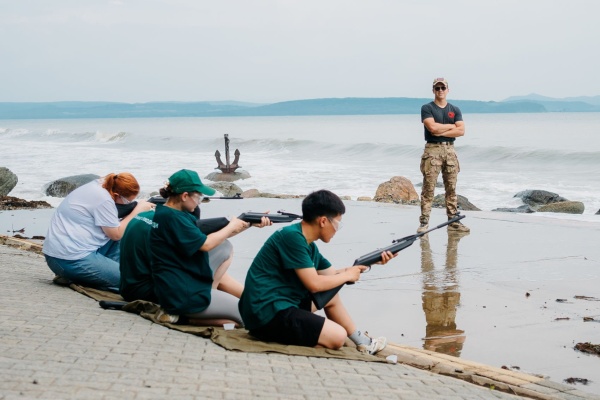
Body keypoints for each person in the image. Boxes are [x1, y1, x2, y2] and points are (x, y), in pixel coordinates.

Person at [238, 189, 395, 354]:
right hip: (267, 313)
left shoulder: (308, 244)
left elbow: (333, 276)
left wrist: (371, 262)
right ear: (323, 221)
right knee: (338, 337)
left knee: (331, 296)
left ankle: (363, 342)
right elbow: (314, 284)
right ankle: (292, 338)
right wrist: (347, 275)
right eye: (337, 224)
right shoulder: (292, 238)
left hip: (282, 305)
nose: (337, 230)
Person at [148, 169, 270, 326]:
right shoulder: (173, 218)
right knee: (247, 316)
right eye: (198, 197)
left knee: (224, 247)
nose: (199, 201)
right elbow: (206, 245)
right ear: (184, 196)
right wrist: (231, 225)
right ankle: (184, 318)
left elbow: (216, 238)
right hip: (182, 294)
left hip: (177, 284)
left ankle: (200, 303)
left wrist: (248, 224)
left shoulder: (169, 213)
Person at [43, 173, 155, 292]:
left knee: (128, 235)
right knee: (133, 281)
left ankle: (95, 275)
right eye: (128, 201)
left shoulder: (101, 185)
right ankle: (80, 278)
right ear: (116, 195)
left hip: (66, 252)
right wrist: (138, 211)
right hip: (68, 259)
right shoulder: (104, 200)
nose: (128, 204)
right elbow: (116, 235)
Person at [418, 77, 470, 234]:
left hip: (450, 150)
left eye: (443, 88)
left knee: (451, 188)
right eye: (437, 88)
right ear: (433, 90)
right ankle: (424, 223)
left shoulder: (455, 109)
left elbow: (461, 131)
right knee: (428, 188)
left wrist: (443, 130)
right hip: (432, 150)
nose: (440, 90)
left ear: (448, 90)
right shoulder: (427, 108)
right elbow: (432, 128)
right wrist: (451, 126)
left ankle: (453, 222)